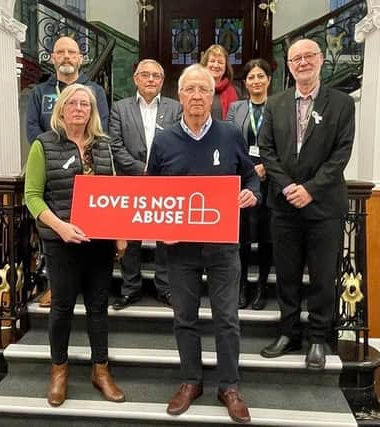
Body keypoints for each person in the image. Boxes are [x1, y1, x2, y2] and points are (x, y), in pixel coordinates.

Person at [147, 64, 260, 424]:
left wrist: (250, 194)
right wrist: (159, 226)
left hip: (224, 246)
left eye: (203, 90)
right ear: (179, 96)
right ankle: (190, 380)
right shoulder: (163, 140)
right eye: (190, 89)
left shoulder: (230, 135)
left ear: (213, 96)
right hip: (180, 249)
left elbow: (251, 179)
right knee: (185, 318)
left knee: (227, 318)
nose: (197, 95)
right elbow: (151, 193)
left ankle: (229, 385)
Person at [24, 84, 126, 406]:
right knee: (62, 308)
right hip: (61, 242)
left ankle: (101, 370)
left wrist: (120, 233)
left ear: (92, 111)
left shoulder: (105, 146)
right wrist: (60, 226)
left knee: (98, 308)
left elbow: (115, 194)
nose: (80, 108)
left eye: (86, 104)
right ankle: (59, 371)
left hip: (100, 242)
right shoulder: (43, 145)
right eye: (74, 103)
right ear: (62, 109)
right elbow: (32, 197)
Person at [258, 39, 355, 370]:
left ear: (321, 60)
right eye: (295, 58)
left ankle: (317, 338)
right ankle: (288, 333)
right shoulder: (275, 104)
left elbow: (341, 154)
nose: (302, 62)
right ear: (288, 66)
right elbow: (266, 151)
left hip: (324, 206)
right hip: (284, 207)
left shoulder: (341, 104)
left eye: (308, 56)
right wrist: (287, 187)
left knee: (323, 276)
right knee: (285, 274)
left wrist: (311, 189)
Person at [26, 36, 110, 308]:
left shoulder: (94, 90)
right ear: (52, 57)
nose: (66, 57)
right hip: (56, 173)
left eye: (71, 52)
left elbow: (102, 128)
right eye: (60, 52)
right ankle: (56, 286)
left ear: (80, 58)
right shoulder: (41, 91)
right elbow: (32, 129)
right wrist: (55, 149)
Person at [108, 59, 182, 310]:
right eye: (145, 75)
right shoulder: (119, 108)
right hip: (131, 181)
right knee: (130, 238)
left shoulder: (175, 108)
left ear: (162, 81)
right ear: (135, 78)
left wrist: (159, 172)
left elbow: (181, 143)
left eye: (156, 76)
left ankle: (165, 288)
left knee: (165, 237)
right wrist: (143, 170)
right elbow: (115, 145)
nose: (151, 79)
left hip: (165, 183)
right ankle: (130, 289)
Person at [227, 58, 274, 311]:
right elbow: (231, 141)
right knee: (242, 237)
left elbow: (282, 141)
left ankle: (261, 287)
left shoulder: (278, 106)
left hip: (271, 178)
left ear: (268, 79)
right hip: (244, 179)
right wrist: (249, 167)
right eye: (251, 77)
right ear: (245, 82)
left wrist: (266, 165)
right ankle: (242, 285)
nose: (256, 81)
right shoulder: (236, 108)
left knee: (266, 238)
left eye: (260, 76)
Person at [200, 44, 239, 120]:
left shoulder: (235, 91)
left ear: (225, 66)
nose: (216, 65)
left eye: (220, 62)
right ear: (205, 65)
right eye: (212, 61)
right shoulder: (196, 89)